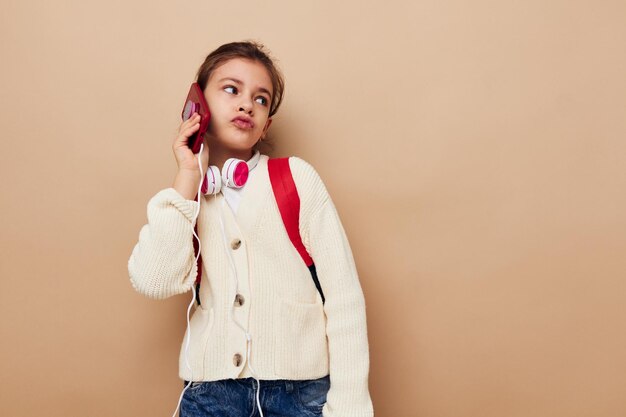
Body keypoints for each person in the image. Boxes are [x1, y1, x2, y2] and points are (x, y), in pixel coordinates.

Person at [128, 41, 373, 417]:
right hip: (210, 396)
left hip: (298, 395)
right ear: (198, 105)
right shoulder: (188, 196)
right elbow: (153, 281)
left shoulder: (296, 178)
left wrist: (351, 404)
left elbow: (344, 299)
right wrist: (188, 175)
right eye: (231, 89)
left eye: (261, 99)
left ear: (266, 124)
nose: (246, 104)